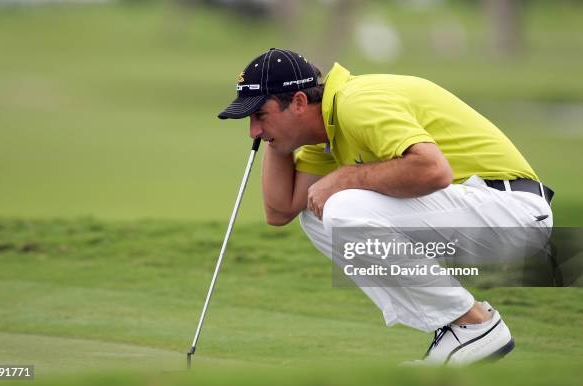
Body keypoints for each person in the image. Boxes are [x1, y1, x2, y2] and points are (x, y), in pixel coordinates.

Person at [217, 48, 554, 365]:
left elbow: (434, 170)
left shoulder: (357, 102)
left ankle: (474, 325)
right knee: (317, 212)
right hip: (480, 214)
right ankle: (456, 330)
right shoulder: (326, 134)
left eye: (260, 114)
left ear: (300, 101)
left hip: (513, 211)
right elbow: (280, 212)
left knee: (341, 206)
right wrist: (275, 138)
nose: (253, 130)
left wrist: (346, 176)